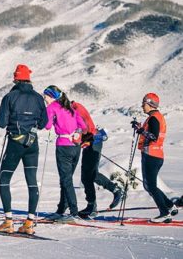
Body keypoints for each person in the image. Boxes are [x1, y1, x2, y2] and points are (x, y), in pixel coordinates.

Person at [0, 64, 48, 235]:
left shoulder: (10, 97)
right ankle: (29, 223)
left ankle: (8, 221)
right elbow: (44, 123)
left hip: (15, 144)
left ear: (15, 78)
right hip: (32, 144)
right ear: (28, 78)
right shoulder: (39, 98)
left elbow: (1, 123)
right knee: (32, 181)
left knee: (4, 179)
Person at [72, 101, 124, 218]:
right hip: (91, 142)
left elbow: (85, 128)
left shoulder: (75, 110)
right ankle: (96, 203)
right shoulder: (74, 108)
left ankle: (94, 205)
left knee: (88, 176)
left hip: (94, 141)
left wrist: (78, 139)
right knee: (89, 175)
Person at [43, 85, 86, 222]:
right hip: (75, 146)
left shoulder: (52, 107)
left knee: (66, 180)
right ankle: (61, 209)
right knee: (66, 179)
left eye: (46, 97)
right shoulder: (70, 107)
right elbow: (83, 127)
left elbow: (47, 126)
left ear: (51, 96)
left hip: (63, 147)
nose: (45, 99)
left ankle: (74, 212)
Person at [133, 93, 178, 223]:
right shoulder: (155, 117)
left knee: (150, 186)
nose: (142, 106)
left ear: (150, 104)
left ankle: (164, 213)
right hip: (156, 155)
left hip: (151, 155)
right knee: (149, 186)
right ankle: (170, 206)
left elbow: (154, 136)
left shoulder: (154, 118)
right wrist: (140, 128)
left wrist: (142, 131)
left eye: (144, 104)